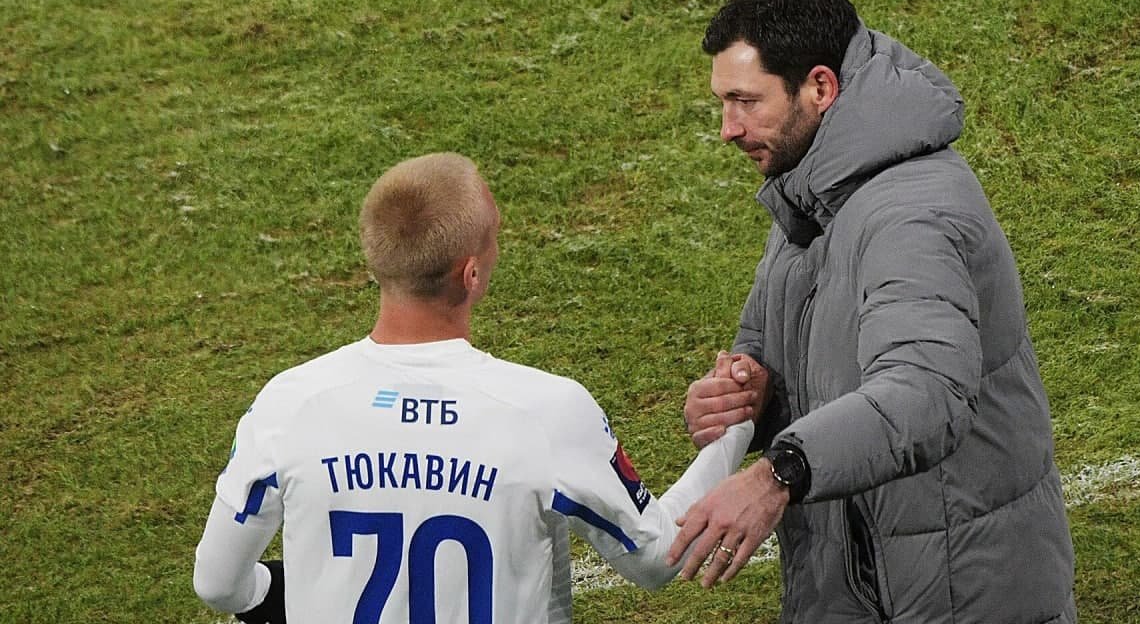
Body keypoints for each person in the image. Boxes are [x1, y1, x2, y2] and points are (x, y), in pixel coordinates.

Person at [666, 0, 1078, 623]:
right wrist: (746, 400)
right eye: (723, 103)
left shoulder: (911, 214)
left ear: (820, 88)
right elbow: (771, 355)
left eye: (745, 101)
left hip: (952, 596)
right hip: (865, 585)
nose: (728, 129)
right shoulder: (812, 197)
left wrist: (778, 474)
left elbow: (925, 394)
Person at [192, 152, 755, 624]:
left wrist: (265, 595)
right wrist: (738, 426)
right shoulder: (547, 411)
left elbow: (217, 583)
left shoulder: (291, 402)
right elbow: (656, 556)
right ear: (472, 275)